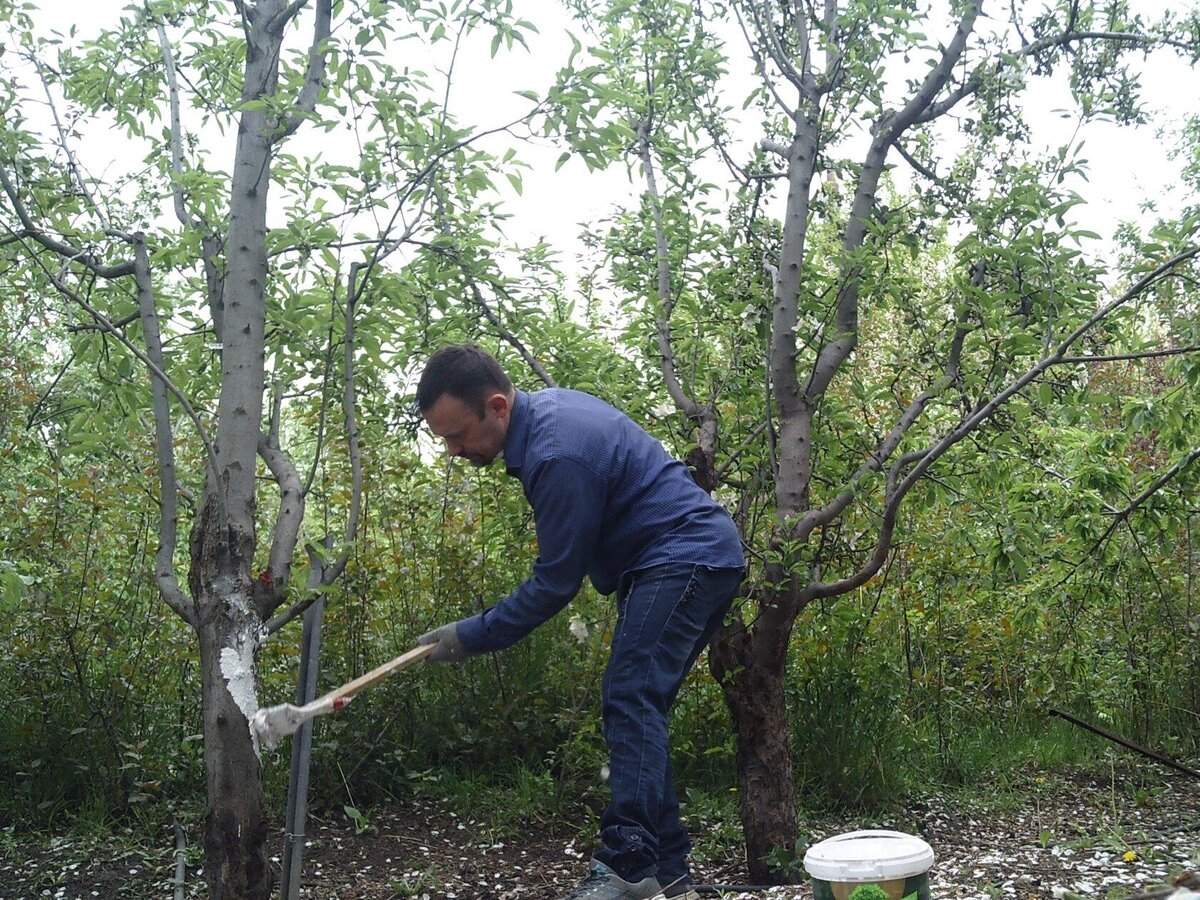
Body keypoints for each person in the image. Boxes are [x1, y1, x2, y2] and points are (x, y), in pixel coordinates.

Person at [415, 344, 745, 900]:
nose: (452, 450)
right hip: (682, 559)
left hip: (683, 555)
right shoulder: (547, 417)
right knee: (639, 705)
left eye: (457, 435)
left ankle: (628, 864)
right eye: (442, 438)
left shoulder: (555, 453)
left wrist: (469, 635)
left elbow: (555, 580)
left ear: (497, 406)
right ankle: (669, 873)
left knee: (630, 696)